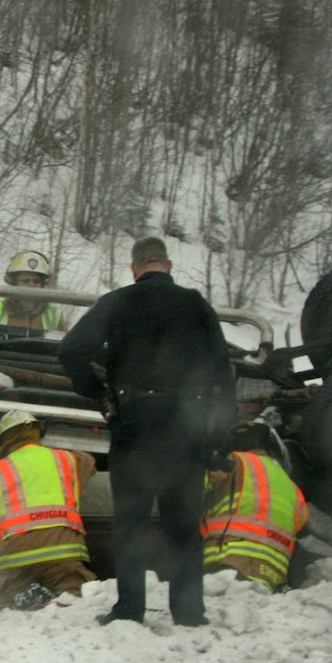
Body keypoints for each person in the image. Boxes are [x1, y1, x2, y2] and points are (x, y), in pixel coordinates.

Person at [57, 236, 235, 627]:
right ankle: (189, 612)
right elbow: (222, 373)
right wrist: (219, 436)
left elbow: (70, 350)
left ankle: (129, 610)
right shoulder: (195, 304)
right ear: (168, 266)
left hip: (134, 426)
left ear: (134, 269)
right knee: (183, 527)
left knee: (131, 524)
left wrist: (98, 393)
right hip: (185, 428)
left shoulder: (117, 301)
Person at [0, 408, 99, 610]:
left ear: (3, 441)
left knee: (3, 611)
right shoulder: (67, 460)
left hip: (16, 565)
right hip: (64, 559)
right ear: (37, 432)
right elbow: (89, 462)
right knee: (74, 607)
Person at [202, 420, 310, 592]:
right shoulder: (294, 490)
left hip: (228, 563)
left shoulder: (232, 462)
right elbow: (300, 525)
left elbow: (192, 489)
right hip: (272, 577)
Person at [0, 249, 68, 332]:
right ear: (14, 283)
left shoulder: (55, 315)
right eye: (25, 281)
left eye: (36, 281)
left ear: (42, 285)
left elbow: (66, 341)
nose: (31, 285)